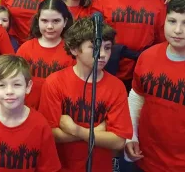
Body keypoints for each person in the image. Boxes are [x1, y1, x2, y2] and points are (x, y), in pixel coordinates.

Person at [125, 0, 185, 172]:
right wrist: (131, 136)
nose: (177, 30)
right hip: (145, 158)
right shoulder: (147, 56)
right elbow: (137, 97)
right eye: (172, 21)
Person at [39, 17, 133, 172]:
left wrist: (77, 130)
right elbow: (50, 134)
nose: (103, 54)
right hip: (61, 167)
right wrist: (97, 132)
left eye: (108, 48)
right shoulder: (54, 82)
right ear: (75, 49)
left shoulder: (116, 86)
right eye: (94, 47)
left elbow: (118, 141)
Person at [0, 54, 61, 172]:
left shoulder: (41, 125)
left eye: (17, 85)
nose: (9, 91)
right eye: (2, 85)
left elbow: (47, 167)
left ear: (28, 87)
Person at [92, 0, 167, 90]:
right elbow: (94, 37)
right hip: (107, 67)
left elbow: (162, 40)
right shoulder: (103, 0)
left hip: (143, 69)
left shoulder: (159, 2)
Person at [16, 0, 75, 109]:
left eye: (56, 21)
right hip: (28, 110)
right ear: (38, 21)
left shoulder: (72, 51)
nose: (49, 26)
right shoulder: (25, 49)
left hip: (60, 110)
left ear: (65, 22)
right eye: (44, 21)